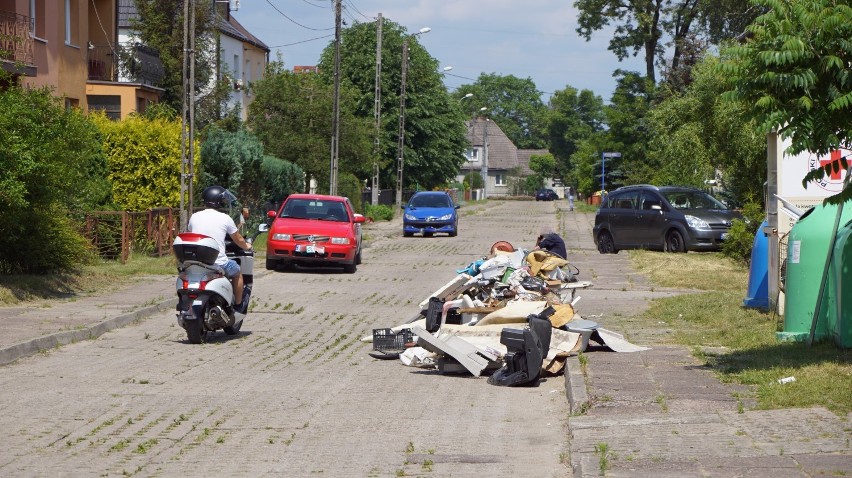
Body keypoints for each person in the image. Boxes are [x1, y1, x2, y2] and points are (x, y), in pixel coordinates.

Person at [188, 185, 252, 309]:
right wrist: (247, 246)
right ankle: (238, 305)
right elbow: (238, 239)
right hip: (218, 263)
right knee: (237, 271)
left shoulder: (194, 216)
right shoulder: (225, 218)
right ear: (218, 201)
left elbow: (193, 232)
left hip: (196, 262)